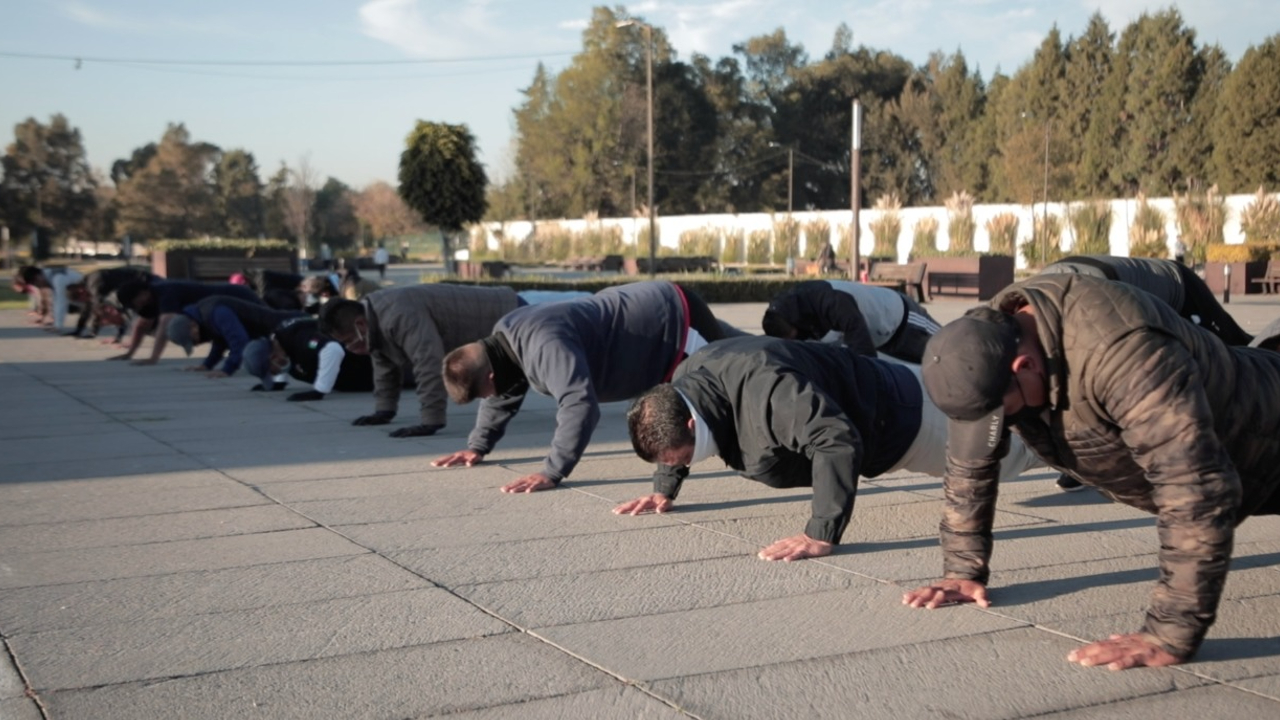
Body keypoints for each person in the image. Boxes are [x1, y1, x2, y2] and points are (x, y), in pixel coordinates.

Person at [905, 273, 1280, 671]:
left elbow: (1193, 488)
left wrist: (1170, 633)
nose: (1004, 421)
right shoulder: (983, 343)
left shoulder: (1126, 353)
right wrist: (962, 570)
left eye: (1003, 410)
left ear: (1026, 365)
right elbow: (970, 465)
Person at [619, 336, 1043, 561]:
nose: (682, 465)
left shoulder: (769, 392)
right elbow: (669, 424)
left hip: (903, 421)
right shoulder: (689, 382)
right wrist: (664, 487)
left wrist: (820, 532)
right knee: (1002, 419)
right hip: (878, 389)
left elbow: (836, 440)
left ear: (694, 425)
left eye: (682, 460)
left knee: (1006, 456)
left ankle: (1070, 443)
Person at [432, 281, 738, 492]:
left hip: (674, 319)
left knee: (732, 383)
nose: (491, 397)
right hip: (649, 315)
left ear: (489, 377)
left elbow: (580, 405)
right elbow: (505, 393)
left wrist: (552, 471)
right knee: (745, 351)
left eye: (485, 392)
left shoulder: (544, 344)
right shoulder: (506, 340)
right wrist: (477, 446)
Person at [1037, 255, 1254, 491]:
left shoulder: (1092, 306)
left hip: (1180, 286)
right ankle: (1080, 467)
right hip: (1123, 300)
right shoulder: (1039, 306)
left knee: (1237, 352)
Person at [318, 284, 527, 438]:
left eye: (347, 341)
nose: (349, 348)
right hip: (501, 316)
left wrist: (430, 422)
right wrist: (384, 411)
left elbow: (429, 363)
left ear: (360, 324)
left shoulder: (398, 315)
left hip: (510, 314)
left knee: (539, 373)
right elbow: (384, 365)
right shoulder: (374, 316)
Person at [762, 279, 940, 363]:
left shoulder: (831, 301)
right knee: (928, 366)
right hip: (882, 338)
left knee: (948, 347)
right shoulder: (789, 313)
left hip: (904, 318)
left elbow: (863, 352)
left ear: (794, 322)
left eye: (793, 337)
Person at [111, 278, 265, 364]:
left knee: (259, 331)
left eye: (135, 302)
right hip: (219, 308)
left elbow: (165, 323)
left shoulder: (165, 292)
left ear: (142, 293)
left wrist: (154, 358)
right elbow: (142, 324)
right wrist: (129, 353)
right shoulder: (148, 300)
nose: (136, 307)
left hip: (237, 296)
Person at [166, 296, 304, 378]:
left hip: (290, 326)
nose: (196, 344)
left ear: (192, 326)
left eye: (193, 340)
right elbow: (220, 340)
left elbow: (238, 340)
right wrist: (207, 365)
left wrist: (228, 369)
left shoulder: (217, 312)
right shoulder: (206, 313)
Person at [241, 316, 374, 400]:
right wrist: (280, 382)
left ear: (273, 357)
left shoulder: (301, 338)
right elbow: (287, 358)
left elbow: (332, 349)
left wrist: (319, 391)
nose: (274, 373)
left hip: (368, 373)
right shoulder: (281, 340)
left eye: (272, 371)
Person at [69, 266, 158, 340]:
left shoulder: (94, 284)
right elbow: (87, 308)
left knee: (132, 313)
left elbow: (98, 308)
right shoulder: (88, 283)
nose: (85, 301)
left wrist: (93, 332)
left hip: (145, 281)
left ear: (80, 291)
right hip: (137, 285)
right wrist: (79, 330)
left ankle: (156, 330)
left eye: (82, 300)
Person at [15, 265, 85, 332]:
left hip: (87, 296)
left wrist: (58, 326)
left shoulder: (58, 278)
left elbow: (61, 302)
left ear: (38, 275)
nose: (38, 286)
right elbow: (47, 301)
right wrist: (44, 319)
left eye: (36, 283)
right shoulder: (49, 275)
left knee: (61, 301)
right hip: (79, 298)